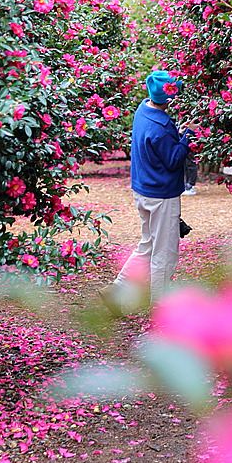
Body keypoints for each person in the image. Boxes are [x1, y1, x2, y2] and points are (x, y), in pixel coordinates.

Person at [99, 70, 198, 316]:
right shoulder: (162, 127)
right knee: (165, 255)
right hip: (161, 197)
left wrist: (178, 131)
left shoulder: (144, 111)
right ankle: (160, 310)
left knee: (148, 245)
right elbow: (174, 159)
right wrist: (188, 136)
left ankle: (116, 291)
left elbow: (160, 143)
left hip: (144, 191)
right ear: (168, 97)